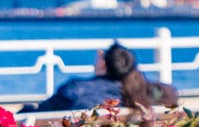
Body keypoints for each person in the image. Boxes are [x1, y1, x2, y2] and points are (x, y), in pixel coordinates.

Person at [23, 42, 178, 115]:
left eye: (101, 55)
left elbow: (40, 114)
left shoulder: (76, 90)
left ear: (104, 65)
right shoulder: (149, 93)